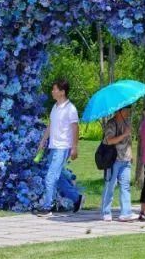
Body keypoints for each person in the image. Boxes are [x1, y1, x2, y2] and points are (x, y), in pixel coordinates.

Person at [34, 78, 83, 215]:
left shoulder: (70, 109)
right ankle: (76, 198)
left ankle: (47, 207)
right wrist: (43, 140)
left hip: (63, 148)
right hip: (53, 147)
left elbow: (75, 128)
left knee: (50, 177)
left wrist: (74, 147)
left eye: (55, 89)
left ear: (62, 92)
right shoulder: (55, 107)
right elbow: (51, 125)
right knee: (59, 177)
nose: (52, 91)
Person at [100, 105, 138, 222]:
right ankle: (106, 212)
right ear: (119, 111)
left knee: (125, 186)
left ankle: (125, 212)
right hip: (113, 159)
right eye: (126, 110)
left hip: (125, 159)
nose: (128, 113)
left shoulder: (127, 123)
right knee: (110, 185)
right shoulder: (111, 124)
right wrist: (124, 134)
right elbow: (109, 140)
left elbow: (129, 140)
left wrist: (131, 154)